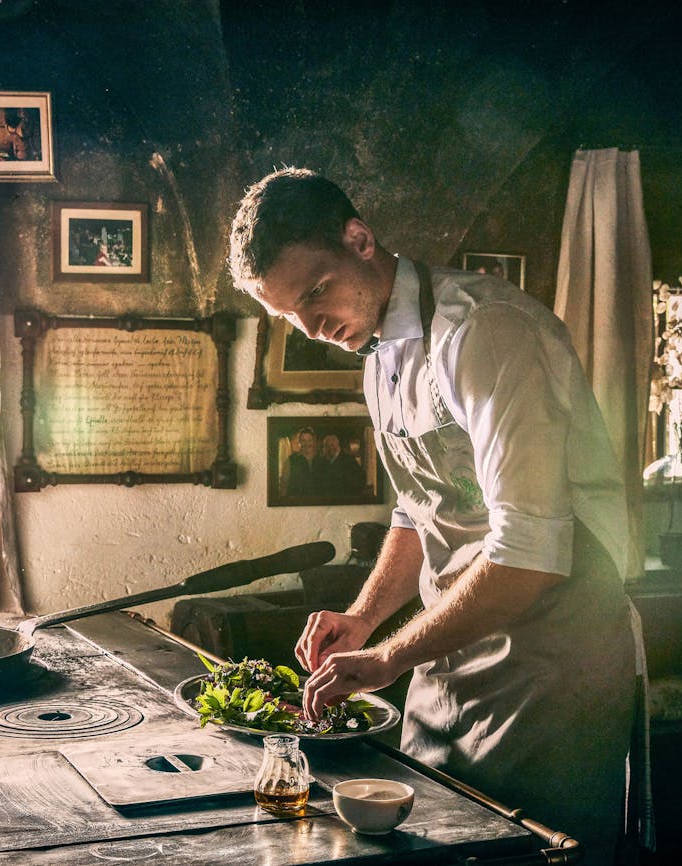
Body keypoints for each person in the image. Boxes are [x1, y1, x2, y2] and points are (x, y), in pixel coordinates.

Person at [228, 167, 636, 866]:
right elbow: (419, 509)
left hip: (550, 665)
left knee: (524, 853)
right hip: (448, 657)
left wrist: (389, 654)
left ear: (359, 239)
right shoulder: (376, 352)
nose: (312, 327)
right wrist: (364, 618)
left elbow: (531, 548)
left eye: (316, 293)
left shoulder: (487, 332)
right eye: (289, 313)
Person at [313, 433, 365, 497]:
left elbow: (359, 481)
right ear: (324, 448)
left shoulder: (349, 461)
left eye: (332, 445)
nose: (330, 448)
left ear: (338, 446)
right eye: (327, 446)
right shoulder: (321, 463)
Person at [283, 426, 318, 497]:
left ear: (313, 441)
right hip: (296, 503)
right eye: (303, 440)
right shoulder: (291, 460)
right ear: (299, 442)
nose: (307, 444)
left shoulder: (321, 460)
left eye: (309, 440)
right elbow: (284, 484)